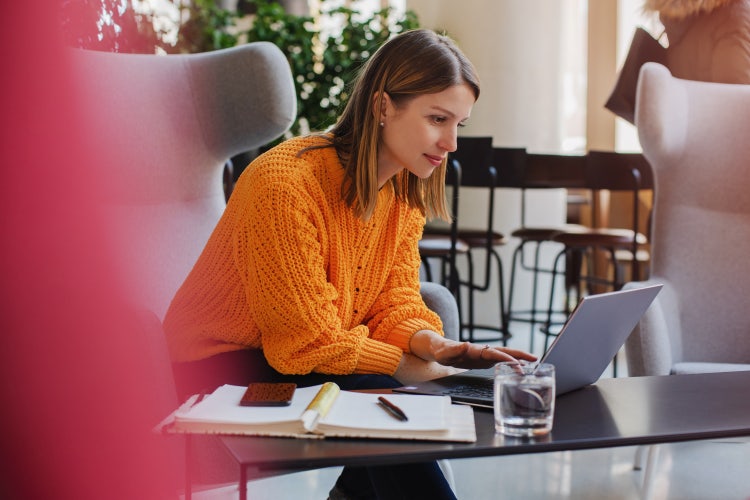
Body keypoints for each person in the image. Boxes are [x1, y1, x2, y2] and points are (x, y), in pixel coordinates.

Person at [164, 28, 536, 500]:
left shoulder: (403, 194)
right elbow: (304, 344)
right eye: (438, 118)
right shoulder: (285, 184)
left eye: (458, 124)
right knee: (380, 393)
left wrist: (434, 345)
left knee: (392, 395)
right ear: (383, 106)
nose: (451, 143)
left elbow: (395, 299)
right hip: (210, 365)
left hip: (291, 353)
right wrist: (405, 365)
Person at [643, 0, 750, 84]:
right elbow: (738, 97)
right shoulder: (734, 16)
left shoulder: (678, 19)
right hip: (717, 110)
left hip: (688, 110)